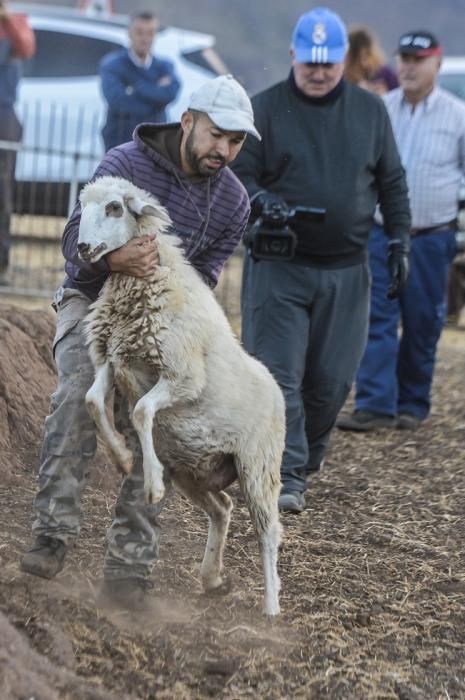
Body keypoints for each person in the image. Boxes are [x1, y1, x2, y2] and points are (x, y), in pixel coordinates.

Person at [20, 74, 259, 608]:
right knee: (80, 390)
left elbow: (202, 281)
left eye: (237, 141)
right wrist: (111, 260)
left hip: (158, 317)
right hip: (93, 301)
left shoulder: (234, 203)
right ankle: (51, 535)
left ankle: (129, 570)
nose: (225, 150)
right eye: (217, 135)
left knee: (164, 421)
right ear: (189, 121)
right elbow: (70, 241)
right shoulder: (124, 164)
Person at [232, 7, 411, 515]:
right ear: (292, 56)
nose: (317, 71)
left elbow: (392, 182)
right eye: (308, 61)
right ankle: (284, 475)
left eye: (327, 63)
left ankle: (302, 459)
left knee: (330, 383)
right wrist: (261, 200)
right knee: (278, 375)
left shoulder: (370, 112)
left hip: (346, 268)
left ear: (343, 60)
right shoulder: (262, 110)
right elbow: (238, 177)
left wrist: (399, 240)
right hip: (279, 264)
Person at [338, 31, 465, 433]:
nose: (408, 66)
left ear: (437, 64)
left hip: (432, 235)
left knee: (423, 320)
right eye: (404, 58)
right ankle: (375, 403)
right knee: (376, 316)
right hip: (380, 232)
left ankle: (412, 403)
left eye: (418, 59)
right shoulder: (380, 109)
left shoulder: (458, 115)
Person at [99, 10, 180, 152]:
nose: (145, 38)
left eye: (150, 33)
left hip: (154, 145)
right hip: (120, 144)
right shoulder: (112, 64)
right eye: (139, 32)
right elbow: (117, 101)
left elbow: (171, 93)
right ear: (130, 33)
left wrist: (136, 88)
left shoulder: (165, 66)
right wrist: (156, 100)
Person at [0, 0, 35, 285]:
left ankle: (1, 262)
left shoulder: (15, 23)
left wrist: (6, 19)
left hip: (3, 115)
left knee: (2, 192)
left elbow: (26, 47)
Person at [345, 25, 398, 95]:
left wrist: (384, 96)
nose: (364, 63)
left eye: (367, 54)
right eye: (358, 57)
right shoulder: (342, 77)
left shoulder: (386, 74)